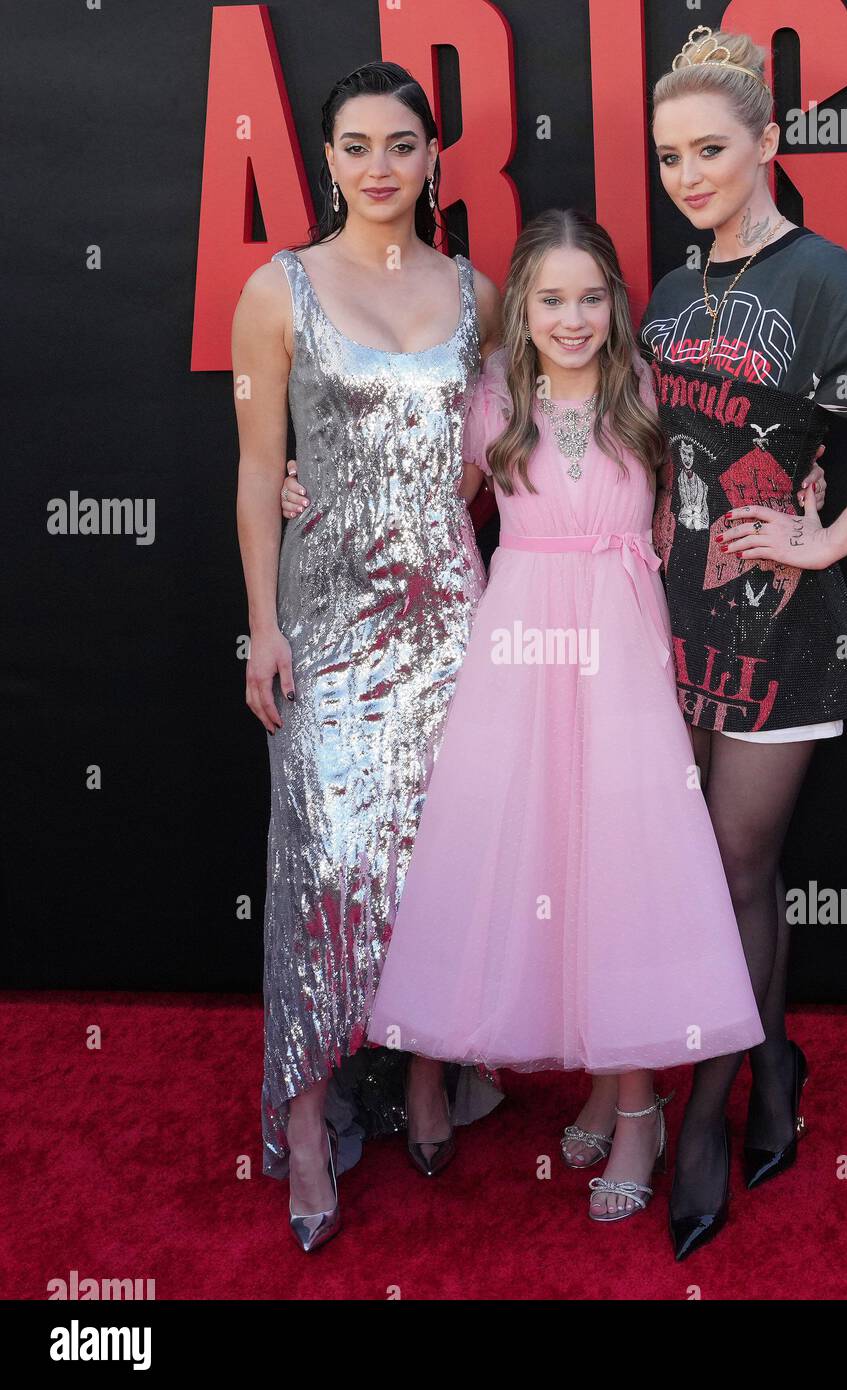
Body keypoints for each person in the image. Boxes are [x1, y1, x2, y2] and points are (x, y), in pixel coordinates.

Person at [634, 25, 847, 1258]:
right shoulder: (674, 291)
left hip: (777, 627)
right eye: (668, 155)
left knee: (732, 865)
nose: (686, 173)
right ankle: (773, 1061)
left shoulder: (818, 277)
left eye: (709, 149)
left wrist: (828, 542)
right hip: (675, 612)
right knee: (716, 874)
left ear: (766, 143)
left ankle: (710, 1118)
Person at [363, 208, 768, 1222]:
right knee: (550, 866)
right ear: (522, 309)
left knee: (620, 869)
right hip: (522, 652)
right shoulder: (493, 399)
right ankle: (600, 1075)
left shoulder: (647, 392)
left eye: (591, 297)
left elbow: (729, 484)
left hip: (622, 653)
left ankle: (639, 1109)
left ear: (615, 304)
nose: (572, 317)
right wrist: (309, 495)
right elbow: (431, 510)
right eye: (550, 298)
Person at [232, 60, 504, 1253]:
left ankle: (433, 1078)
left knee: (442, 858)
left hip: (450, 614)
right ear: (326, 160)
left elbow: (494, 455)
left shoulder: (478, 293)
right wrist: (265, 620)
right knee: (322, 865)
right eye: (355, 145)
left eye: (402, 143)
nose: (380, 166)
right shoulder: (274, 290)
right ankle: (303, 1118)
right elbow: (254, 466)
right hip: (327, 622)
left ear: (433, 156)